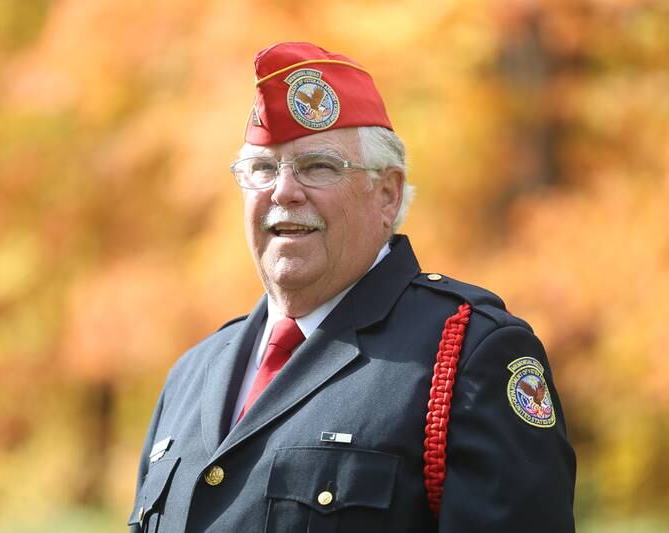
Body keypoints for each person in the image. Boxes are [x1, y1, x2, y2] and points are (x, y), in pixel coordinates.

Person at [129, 41, 576, 533]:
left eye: (318, 166)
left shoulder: (466, 355)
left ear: (387, 194)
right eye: (261, 169)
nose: (282, 190)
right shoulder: (193, 373)